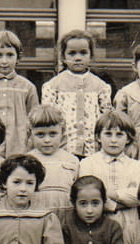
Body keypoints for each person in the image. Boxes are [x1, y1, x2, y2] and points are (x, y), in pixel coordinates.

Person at [41, 29, 112, 158]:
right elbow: (47, 119)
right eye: (72, 53)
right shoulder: (53, 86)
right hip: (64, 148)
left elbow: (106, 119)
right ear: (63, 57)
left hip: (92, 150)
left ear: (91, 56)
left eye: (83, 53)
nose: (78, 58)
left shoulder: (101, 86)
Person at [79, 111, 140, 229]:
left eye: (119, 135)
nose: (113, 140)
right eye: (108, 134)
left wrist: (112, 194)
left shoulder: (136, 166)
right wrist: (115, 206)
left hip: (128, 224)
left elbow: (139, 195)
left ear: (128, 138)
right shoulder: (88, 163)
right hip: (98, 225)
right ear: (98, 137)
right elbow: (89, 194)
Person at [27, 105, 79, 210]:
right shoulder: (27, 161)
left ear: (62, 133)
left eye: (52, 134)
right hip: (37, 212)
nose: (47, 140)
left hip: (66, 212)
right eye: (40, 134)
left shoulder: (72, 160)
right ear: (30, 135)